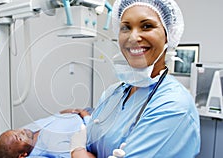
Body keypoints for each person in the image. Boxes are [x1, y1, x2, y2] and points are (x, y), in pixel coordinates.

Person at [70, 0, 201, 157]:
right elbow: (93, 135)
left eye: (146, 26)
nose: (133, 37)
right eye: (125, 27)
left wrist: (77, 150)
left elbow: (86, 146)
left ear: (169, 35)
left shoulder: (175, 106)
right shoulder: (114, 92)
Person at [0, 108, 95, 158]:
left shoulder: (30, 132)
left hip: (82, 112)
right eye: (19, 138)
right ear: (22, 155)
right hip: (93, 122)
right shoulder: (54, 148)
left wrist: (63, 113)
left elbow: (53, 118)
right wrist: (86, 116)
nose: (21, 131)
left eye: (15, 130)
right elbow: (85, 149)